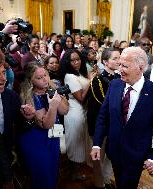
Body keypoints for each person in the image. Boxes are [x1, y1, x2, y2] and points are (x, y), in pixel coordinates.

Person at [91, 47, 153, 189]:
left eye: (124, 66)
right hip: (114, 151)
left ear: (141, 67)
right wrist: (96, 144)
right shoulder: (114, 85)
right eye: (119, 64)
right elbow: (103, 116)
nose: (119, 69)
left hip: (136, 155)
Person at [19, 62, 69, 189]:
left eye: (45, 75)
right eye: (39, 78)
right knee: (42, 177)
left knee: (53, 173)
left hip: (52, 138)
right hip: (36, 140)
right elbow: (46, 124)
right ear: (31, 80)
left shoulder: (52, 87)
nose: (45, 79)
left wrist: (55, 94)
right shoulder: (30, 97)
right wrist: (52, 106)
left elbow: (64, 111)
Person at [87, 48, 120, 189]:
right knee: (98, 157)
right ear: (105, 62)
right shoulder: (98, 80)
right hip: (99, 124)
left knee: (111, 155)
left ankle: (106, 180)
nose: (119, 61)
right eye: (115, 58)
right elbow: (102, 104)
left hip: (115, 124)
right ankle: (100, 184)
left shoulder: (120, 78)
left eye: (119, 58)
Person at [60, 49, 96, 180]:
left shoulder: (79, 73)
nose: (76, 62)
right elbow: (81, 97)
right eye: (73, 60)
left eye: (78, 59)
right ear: (67, 62)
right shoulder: (69, 76)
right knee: (75, 143)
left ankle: (77, 170)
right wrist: (91, 80)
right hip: (75, 113)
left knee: (80, 141)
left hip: (82, 111)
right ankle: (74, 173)